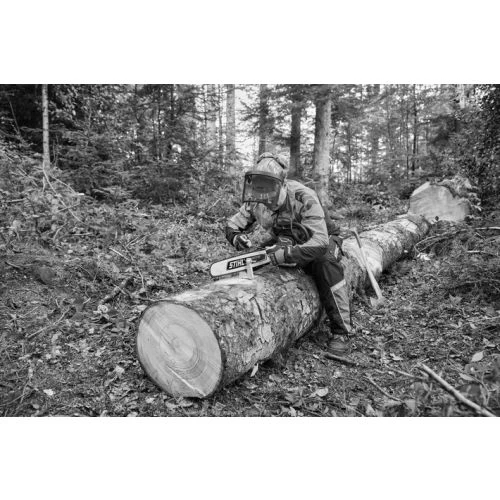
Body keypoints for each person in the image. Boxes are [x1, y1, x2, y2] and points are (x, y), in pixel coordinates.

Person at [225, 152, 352, 356]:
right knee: (261, 257)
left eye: (271, 195)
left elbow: (320, 242)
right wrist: (236, 237)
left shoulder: (303, 196)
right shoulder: (257, 198)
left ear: (283, 185)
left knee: (325, 263)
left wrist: (288, 255)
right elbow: (233, 224)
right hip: (287, 237)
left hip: (323, 237)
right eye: (261, 194)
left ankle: (341, 331)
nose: (267, 202)